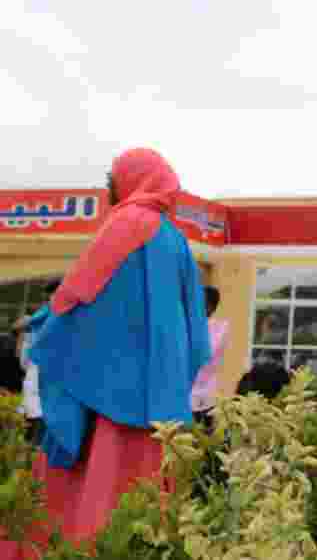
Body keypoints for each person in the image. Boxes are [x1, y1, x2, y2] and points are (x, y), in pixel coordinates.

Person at [27, 148, 211, 545]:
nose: (109, 184)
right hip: (157, 404)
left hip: (104, 400)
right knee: (141, 509)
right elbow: (196, 331)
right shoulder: (174, 239)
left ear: (132, 179)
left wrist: (45, 325)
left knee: (87, 502)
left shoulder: (126, 223)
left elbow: (76, 293)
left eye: (113, 176)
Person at [12, 280, 61, 446]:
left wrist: (24, 326)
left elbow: (21, 324)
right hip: (35, 392)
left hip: (45, 394)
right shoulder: (41, 320)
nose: (47, 300)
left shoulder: (53, 313)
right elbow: (24, 362)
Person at [191, 286, 230, 428]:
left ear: (210, 308)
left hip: (203, 396)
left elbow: (202, 355)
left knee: (202, 441)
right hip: (185, 396)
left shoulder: (218, 329)